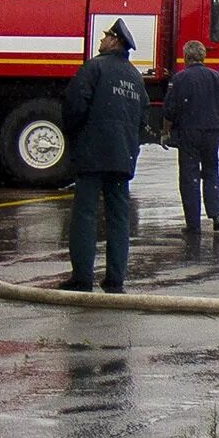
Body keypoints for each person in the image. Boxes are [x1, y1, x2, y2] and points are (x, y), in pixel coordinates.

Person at [61, 20, 149, 292]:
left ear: (115, 42)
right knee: (119, 218)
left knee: (85, 214)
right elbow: (142, 119)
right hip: (122, 156)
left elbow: (74, 105)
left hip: (92, 153)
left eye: (107, 36)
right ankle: (115, 279)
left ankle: (82, 278)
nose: (102, 40)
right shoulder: (135, 77)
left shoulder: (94, 67)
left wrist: (75, 136)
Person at [163, 39, 219, 233]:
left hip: (189, 133)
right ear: (203, 56)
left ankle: (193, 224)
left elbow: (170, 110)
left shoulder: (179, 79)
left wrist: (165, 132)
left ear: (186, 57)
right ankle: (217, 215)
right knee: (211, 172)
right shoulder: (217, 77)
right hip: (213, 132)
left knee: (189, 177)